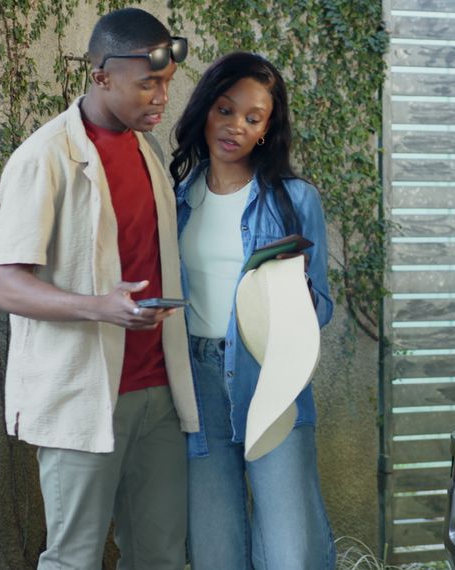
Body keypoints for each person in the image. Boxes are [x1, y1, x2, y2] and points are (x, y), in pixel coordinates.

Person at [0, 8, 198, 569]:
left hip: (158, 396)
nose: (160, 98)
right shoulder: (43, 158)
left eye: (166, 84)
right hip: (84, 398)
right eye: (147, 83)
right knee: (74, 559)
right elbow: (7, 287)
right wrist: (98, 308)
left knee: (161, 558)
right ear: (101, 76)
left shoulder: (146, 152)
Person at [170, 51, 336, 569]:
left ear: (266, 129)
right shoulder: (177, 199)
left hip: (270, 376)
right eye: (225, 109)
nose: (235, 126)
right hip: (197, 384)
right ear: (205, 111)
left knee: (290, 549)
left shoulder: (295, 199)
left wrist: (293, 295)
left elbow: (323, 306)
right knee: (215, 546)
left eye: (252, 117)